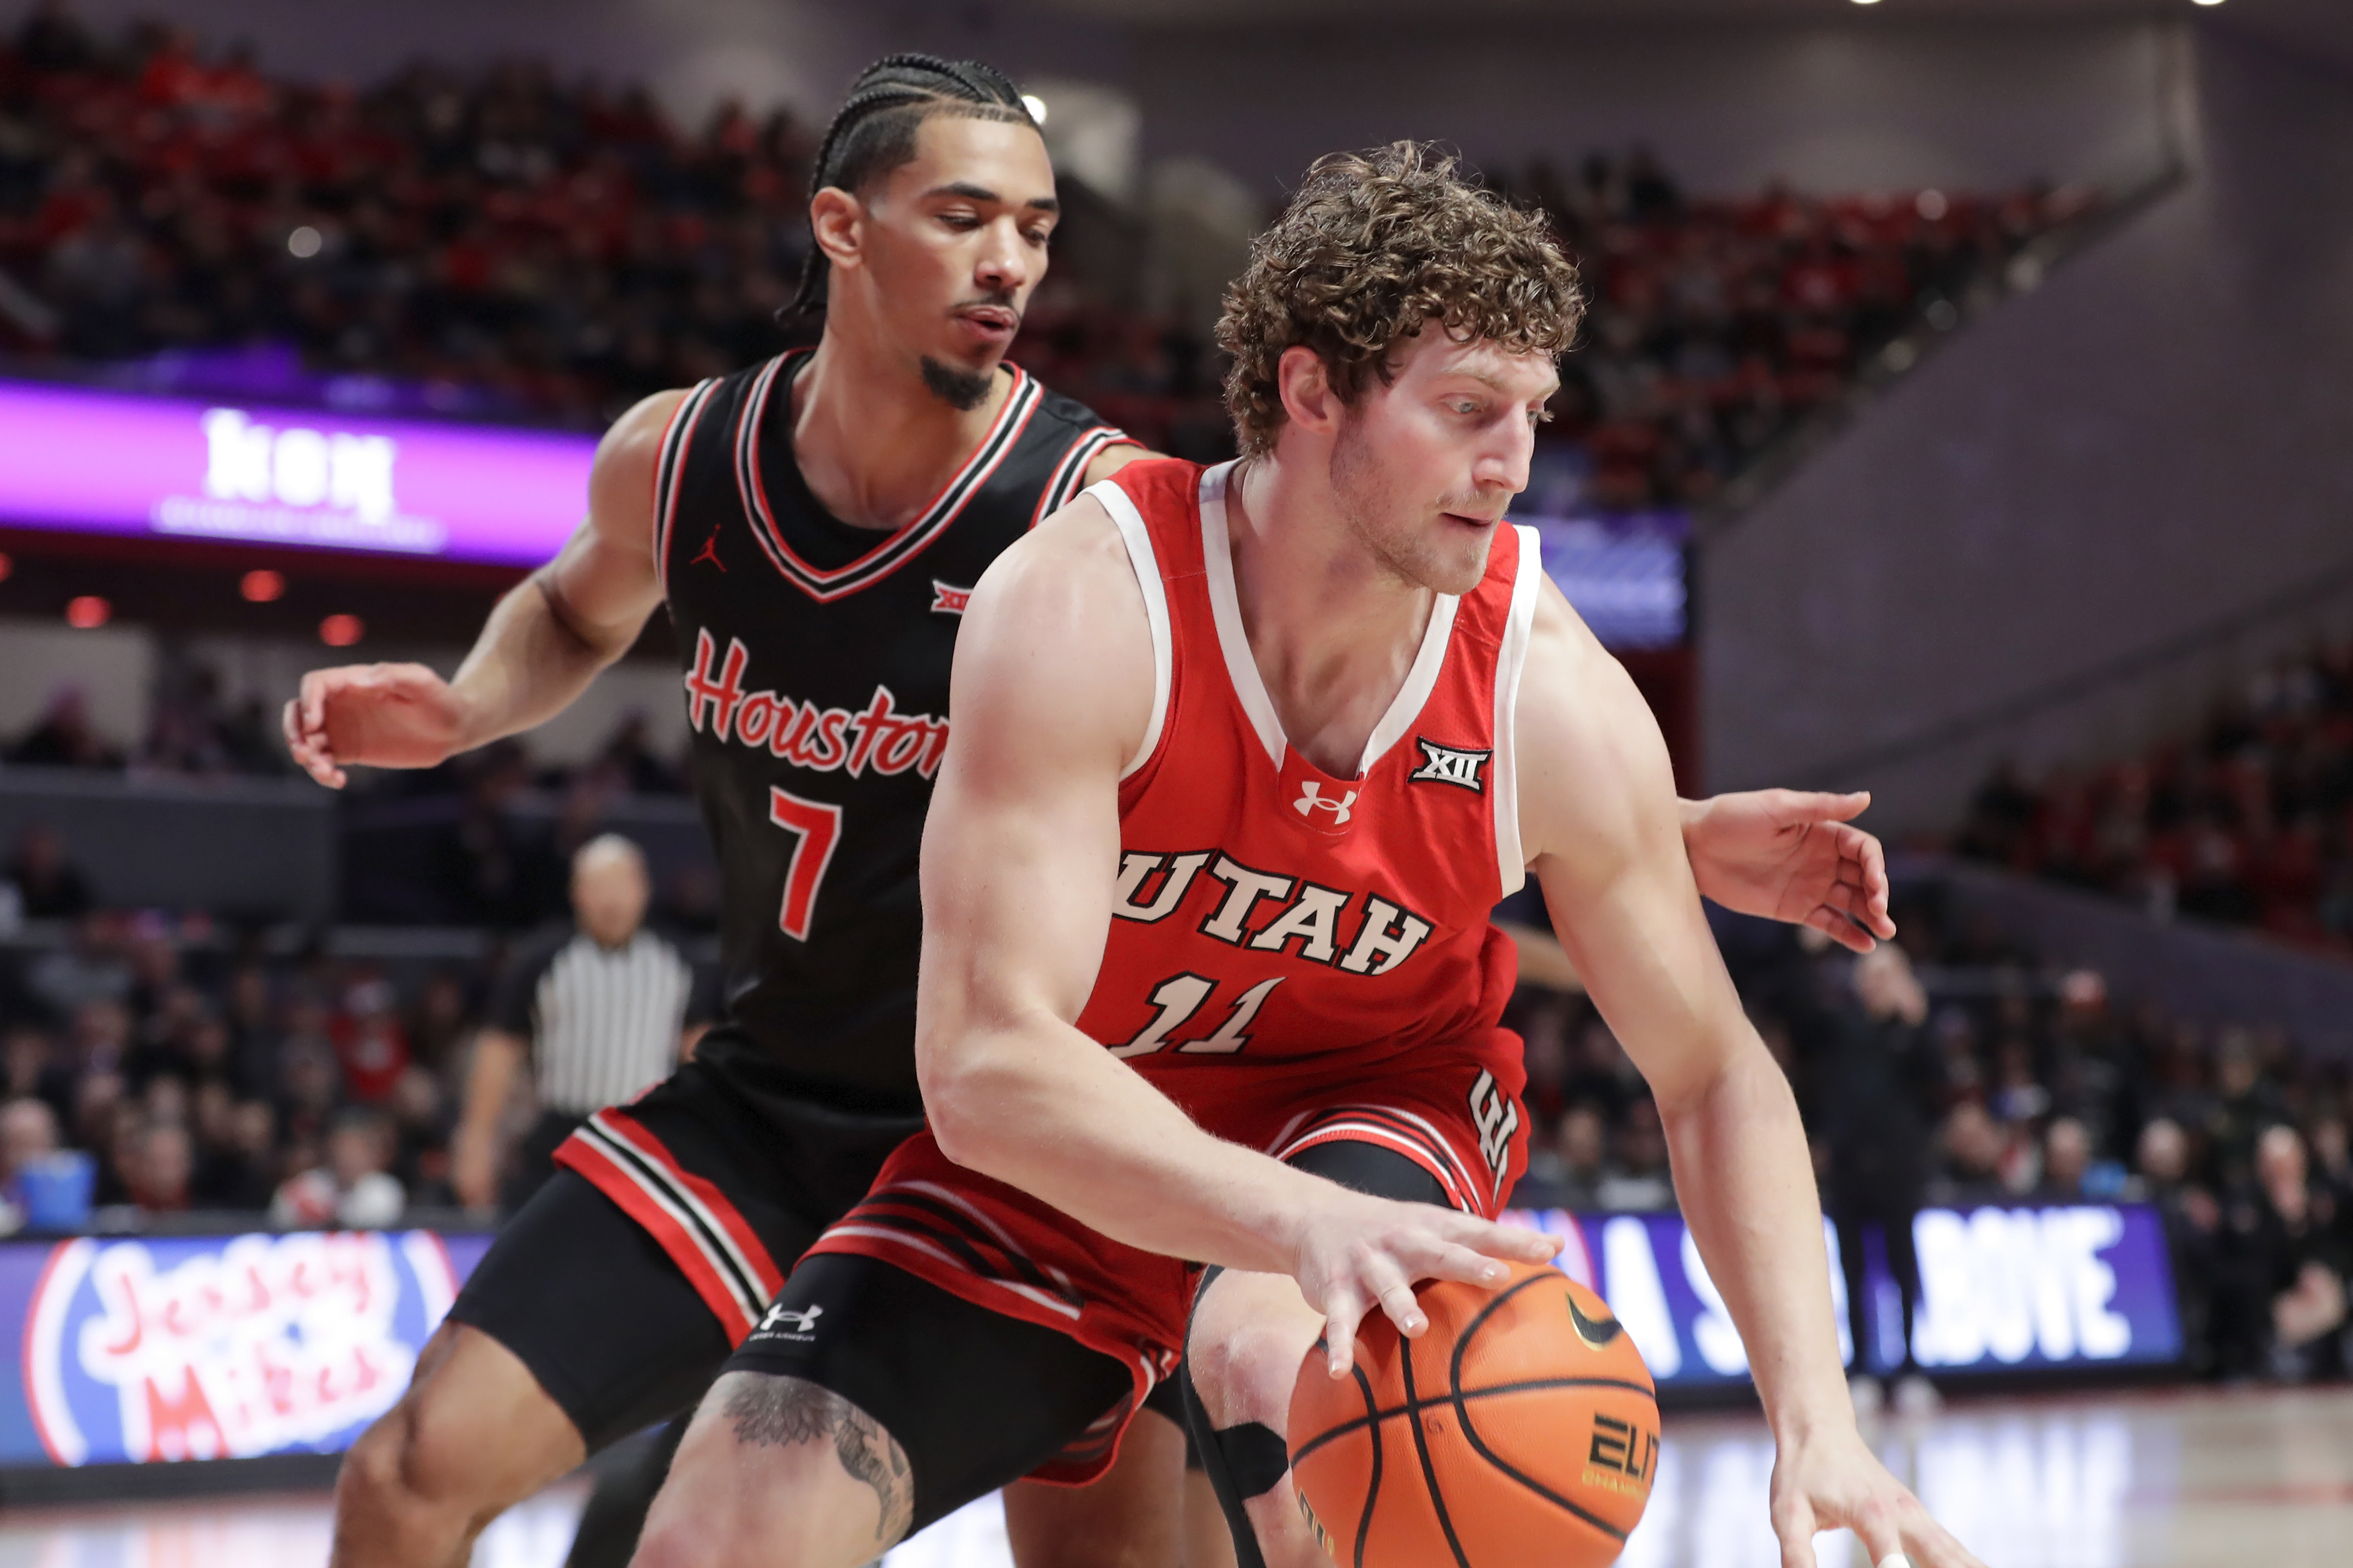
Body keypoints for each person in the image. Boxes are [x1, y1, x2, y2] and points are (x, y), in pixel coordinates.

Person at [287, 63, 1896, 1568]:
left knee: (1266, 1338)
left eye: (1532, 413)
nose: (1512, 464)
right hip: (1036, 1107)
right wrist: (472, 703)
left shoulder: (1526, 674)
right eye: (1470, 409)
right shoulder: (1074, 589)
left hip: (1355, 1096)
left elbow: (1701, 1058)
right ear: (1309, 392)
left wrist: (1812, 1417)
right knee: (715, 1513)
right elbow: (988, 1058)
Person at [453, 835, 702, 1215]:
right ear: (577, 894)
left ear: (644, 889)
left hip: (649, 1136)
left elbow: (698, 1053)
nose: (611, 901)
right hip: (563, 1132)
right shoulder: (542, 959)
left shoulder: (679, 961)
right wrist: (477, 1140)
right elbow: (499, 1050)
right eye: (599, 888)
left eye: (621, 885)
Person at [1813, 942, 1944, 1417]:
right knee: (1851, 1271)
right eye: (1870, 974)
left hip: (1898, 1167)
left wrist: (1913, 1023)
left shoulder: (1914, 1029)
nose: (1877, 983)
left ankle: (1910, 1367)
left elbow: (1939, 1081)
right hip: (1848, 1168)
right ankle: (1861, 1368)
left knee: (1901, 1267)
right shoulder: (1841, 1027)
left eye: (1887, 974)